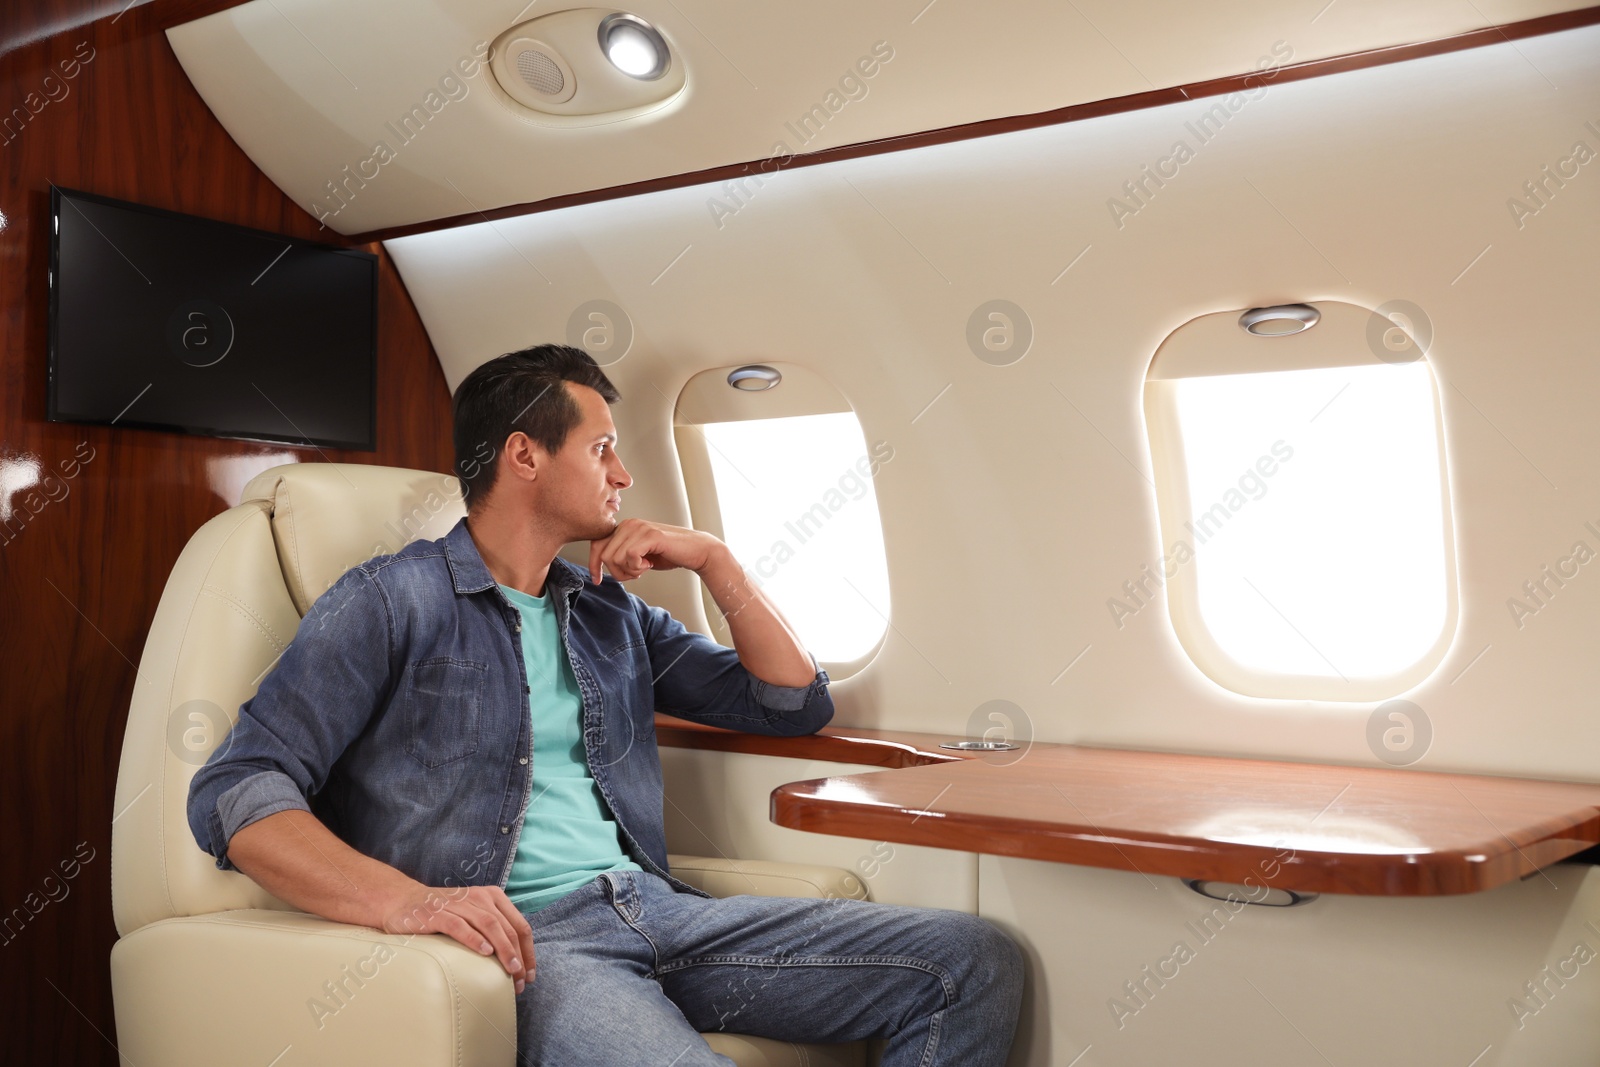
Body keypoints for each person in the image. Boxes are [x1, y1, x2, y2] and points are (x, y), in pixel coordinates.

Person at [187, 343, 1023, 1065]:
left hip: (658, 909)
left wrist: (717, 563)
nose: (624, 476)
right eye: (603, 450)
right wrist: (412, 901)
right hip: (535, 946)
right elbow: (239, 790)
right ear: (525, 456)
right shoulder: (389, 601)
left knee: (972, 960)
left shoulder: (606, 609)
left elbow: (790, 704)